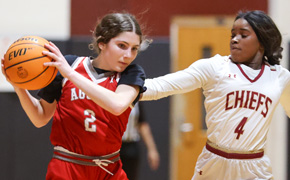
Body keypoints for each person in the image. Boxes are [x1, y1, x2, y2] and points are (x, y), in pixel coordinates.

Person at [141, 10, 290, 180]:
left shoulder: (280, 77)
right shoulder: (215, 67)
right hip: (215, 161)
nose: (235, 39)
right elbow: (160, 86)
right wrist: (118, 86)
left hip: (254, 165)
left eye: (243, 35)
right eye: (233, 34)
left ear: (262, 42)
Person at [1, 13, 147, 180]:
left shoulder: (131, 73)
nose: (129, 54)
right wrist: (18, 86)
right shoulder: (70, 65)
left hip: (109, 169)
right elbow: (39, 118)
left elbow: (117, 105)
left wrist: (70, 74)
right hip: (67, 166)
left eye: (134, 48)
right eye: (122, 45)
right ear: (102, 43)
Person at [120, 102, 160, 179]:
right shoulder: (111, 95)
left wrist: (152, 149)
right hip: (114, 147)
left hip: (131, 147)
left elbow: (142, 124)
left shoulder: (137, 99)